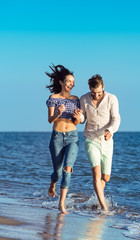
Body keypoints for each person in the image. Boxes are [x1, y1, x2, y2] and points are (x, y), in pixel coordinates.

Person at [77, 74, 120, 211]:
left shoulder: (112, 99)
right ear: (89, 88)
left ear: (103, 87)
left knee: (105, 178)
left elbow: (116, 119)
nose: (96, 95)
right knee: (96, 173)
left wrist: (110, 130)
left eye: (99, 92)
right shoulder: (84, 99)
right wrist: (79, 117)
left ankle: (95, 200)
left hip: (107, 141)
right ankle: (103, 207)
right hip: (91, 139)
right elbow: (83, 119)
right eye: (93, 92)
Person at [45, 64, 82, 214]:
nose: (71, 84)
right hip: (57, 137)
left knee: (68, 168)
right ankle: (52, 183)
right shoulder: (53, 98)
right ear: (61, 82)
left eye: (73, 82)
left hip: (73, 136)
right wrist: (58, 113)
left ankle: (61, 203)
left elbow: (76, 122)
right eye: (68, 81)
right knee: (58, 173)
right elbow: (50, 120)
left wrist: (78, 118)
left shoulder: (76, 99)